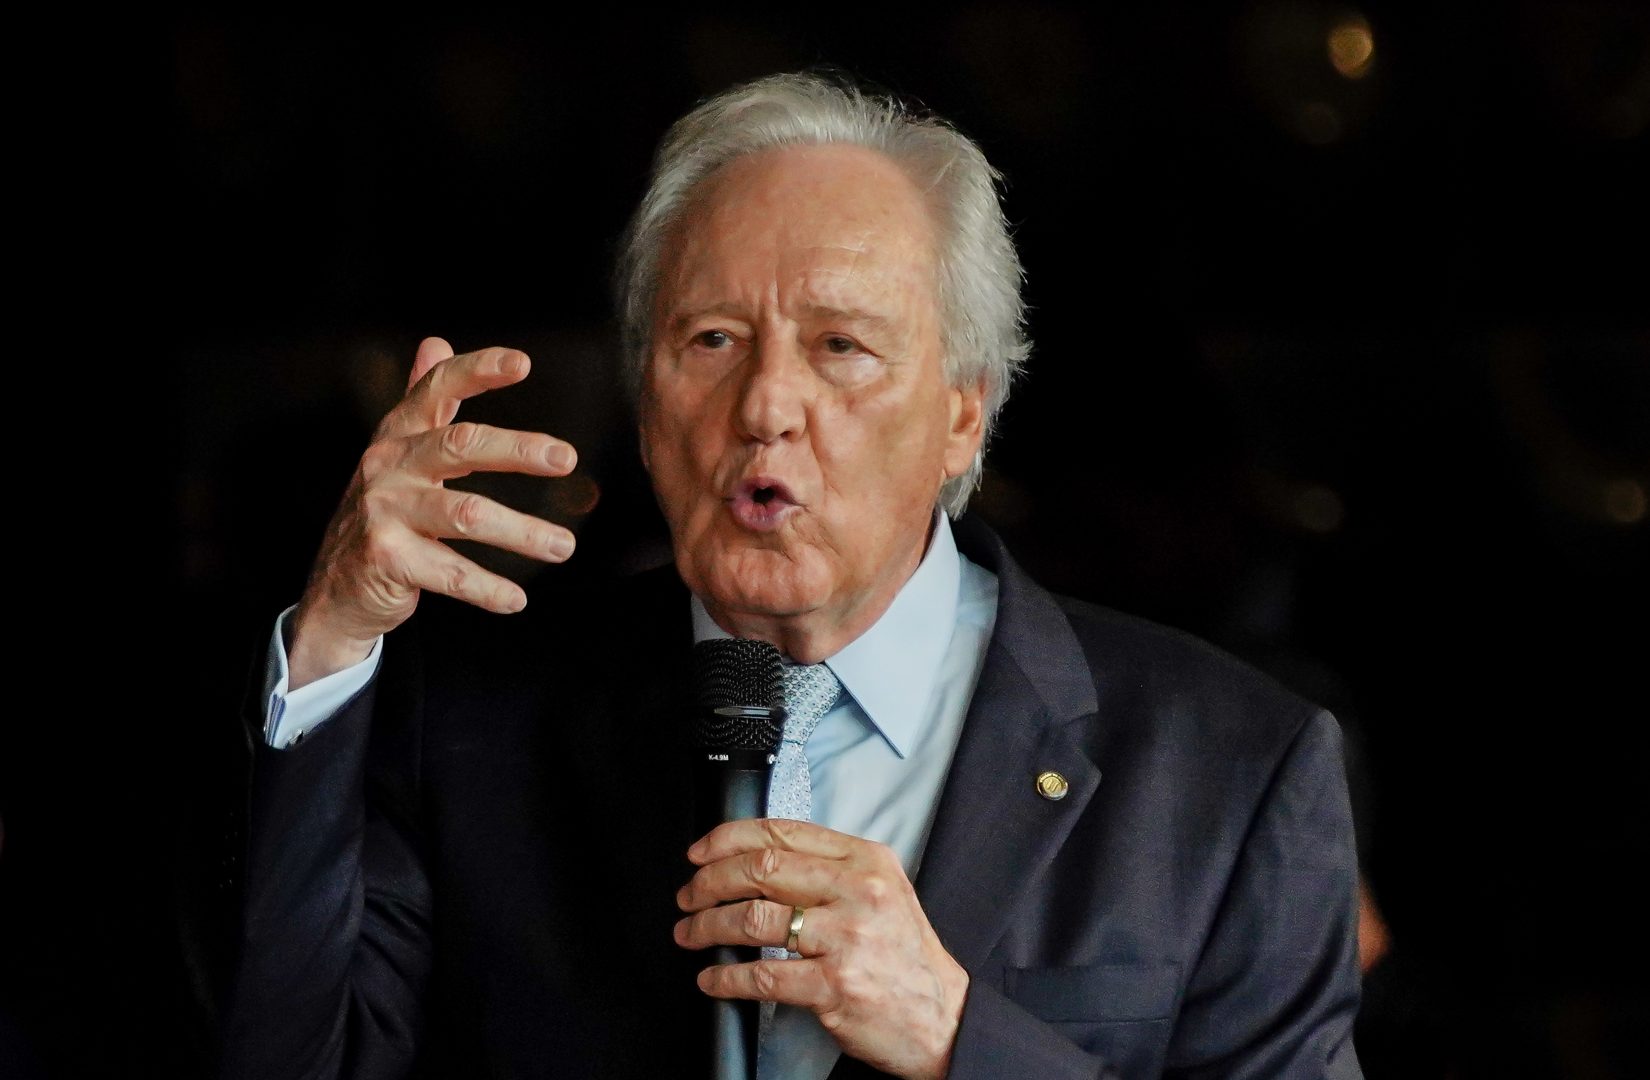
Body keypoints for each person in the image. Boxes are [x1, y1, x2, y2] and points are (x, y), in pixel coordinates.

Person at [222, 70, 1364, 1079]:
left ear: (963, 414)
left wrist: (963, 1039)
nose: (765, 405)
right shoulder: (477, 720)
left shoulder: (1232, 770)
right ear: (647, 402)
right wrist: (331, 641)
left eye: (840, 347)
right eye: (711, 340)